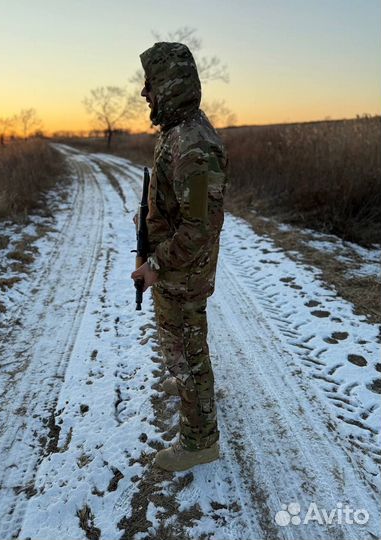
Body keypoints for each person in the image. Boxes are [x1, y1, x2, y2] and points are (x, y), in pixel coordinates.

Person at [131, 41, 229, 472]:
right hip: (177, 271)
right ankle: (188, 381)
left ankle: (199, 440)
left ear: (170, 86)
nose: (144, 93)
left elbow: (200, 228)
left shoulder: (191, 145)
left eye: (150, 84)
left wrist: (155, 265)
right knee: (182, 343)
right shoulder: (176, 130)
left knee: (189, 350)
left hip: (182, 272)